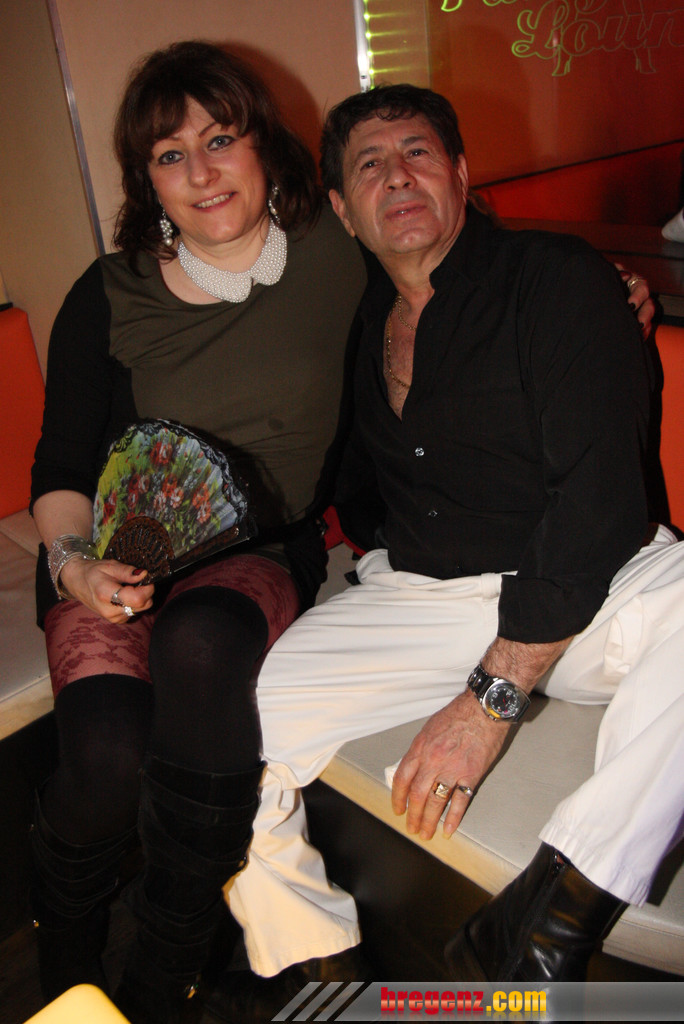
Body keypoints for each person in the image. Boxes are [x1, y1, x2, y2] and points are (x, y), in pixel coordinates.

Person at [206, 84, 684, 1019]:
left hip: (594, 582)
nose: (397, 176)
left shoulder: (556, 278)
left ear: (461, 174)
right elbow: (341, 482)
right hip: (427, 594)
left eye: (417, 152)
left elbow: (599, 502)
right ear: (344, 209)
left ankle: (545, 929)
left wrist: (490, 700)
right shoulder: (362, 325)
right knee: (225, 719)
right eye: (369, 165)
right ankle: (321, 963)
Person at [30, 40, 367, 1024]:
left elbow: (456, 258)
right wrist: (75, 566)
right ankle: (64, 970)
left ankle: (159, 981)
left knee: (203, 642)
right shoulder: (111, 290)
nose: (202, 171)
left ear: (265, 144)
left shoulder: (337, 252)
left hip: (256, 549)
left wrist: (600, 287)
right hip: (109, 554)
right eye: (171, 155)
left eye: (221, 139)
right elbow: (61, 466)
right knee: (105, 754)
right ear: (148, 180)